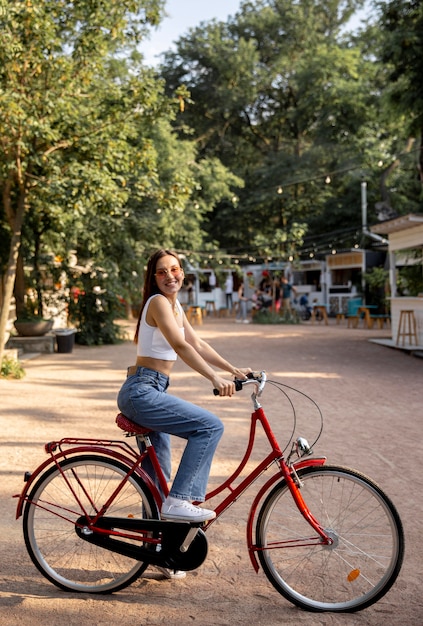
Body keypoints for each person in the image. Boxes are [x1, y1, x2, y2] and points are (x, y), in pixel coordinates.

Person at [117, 249, 251, 576]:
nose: (170, 276)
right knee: (209, 426)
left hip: (152, 389)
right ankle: (182, 500)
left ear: (183, 272)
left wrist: (235, 370)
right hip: (141, 390)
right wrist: (214, 379)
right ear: (154, 278)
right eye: (162, 272)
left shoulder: (174, 305)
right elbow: (181, 347)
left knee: (156, 479)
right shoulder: (158, 303)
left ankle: (161, 552)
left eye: (175, 269)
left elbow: (198, 343)